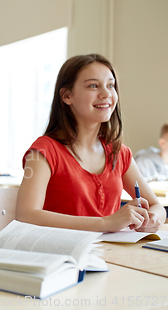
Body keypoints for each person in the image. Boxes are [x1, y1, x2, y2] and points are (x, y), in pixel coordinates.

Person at [16, 54, 166, 233]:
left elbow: (156, 206)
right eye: (93, 86)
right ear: (67, 96)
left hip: (110, 255)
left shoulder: (119, 152)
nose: (106, 94)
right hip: (61, 256)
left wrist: (152, 219)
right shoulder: (44, 151)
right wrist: (105, 223)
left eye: (111, 85)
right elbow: (26, 215)